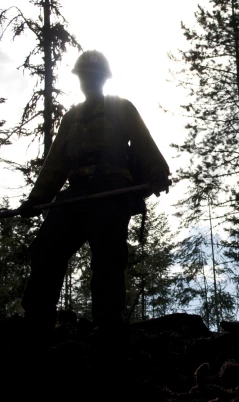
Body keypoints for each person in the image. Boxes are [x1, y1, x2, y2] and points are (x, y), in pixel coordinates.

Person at [19, 50, 170, 332]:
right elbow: (55, 164)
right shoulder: (71, 118)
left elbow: (142, 141)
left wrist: (158, 172)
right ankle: (37, 319)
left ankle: (107, 323)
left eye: (93, 76)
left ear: (103, 79)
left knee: (108, 254)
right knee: (46, 248)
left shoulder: (121, 108)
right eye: (84, 77)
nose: (88, 81)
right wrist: (36, 199)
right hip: (76, 191)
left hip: (112, 190)